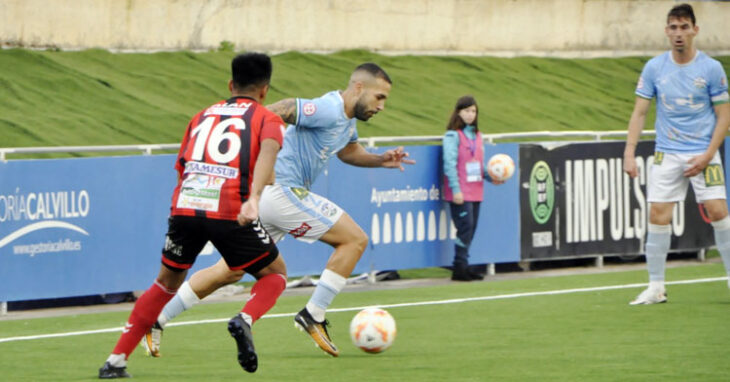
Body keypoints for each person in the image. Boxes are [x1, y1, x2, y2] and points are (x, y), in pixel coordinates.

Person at [141, 62, 415, 359]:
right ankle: (314, 313)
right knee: (355, 240)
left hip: (271, 201)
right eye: (380, 97)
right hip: (282, 192)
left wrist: (380, 159)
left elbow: (348, 151)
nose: (382, 106)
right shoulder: (327, 108)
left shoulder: (347, 121)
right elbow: (282, 108)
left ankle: (156, 319)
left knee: (229, 272)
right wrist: (242, 131)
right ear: (359, 88)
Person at [98, 52, 287, 378]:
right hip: (230, 209)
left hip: (185, 207)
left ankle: (115, 361)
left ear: (231, 84)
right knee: (275, 275)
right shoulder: (266, 118)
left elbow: (182, 167)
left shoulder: (200, 116)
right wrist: (254, 197)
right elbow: (269, 151)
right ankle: (244, 319)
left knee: (164, 284)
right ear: (265, 90)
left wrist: (182, 212)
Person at [623, 3, 730, 305]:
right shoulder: (655, 68)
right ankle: (656, 287)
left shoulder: (711, 68)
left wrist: (709, 155)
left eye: (684, 27)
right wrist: (629, 152)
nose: (678, 33)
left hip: (702, 152)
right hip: (667, 153)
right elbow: (640, 113)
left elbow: (724, 116)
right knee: (658, 215)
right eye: (673, 27)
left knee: (718, 211)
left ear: (695, 30)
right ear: (667, 31)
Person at [442, 96, 504, 281]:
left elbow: (478, 164)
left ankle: (464, 265)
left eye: (473, 111)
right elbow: (449, 164)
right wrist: (456, 190)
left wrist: (492, 177)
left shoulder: (477, 136)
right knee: (465, 227)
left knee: (471, 229)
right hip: (460, 191)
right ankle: (459, 268)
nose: (470, 115)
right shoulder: (453, 135)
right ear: (458, 112)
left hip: (476, 189)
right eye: (467, 111)